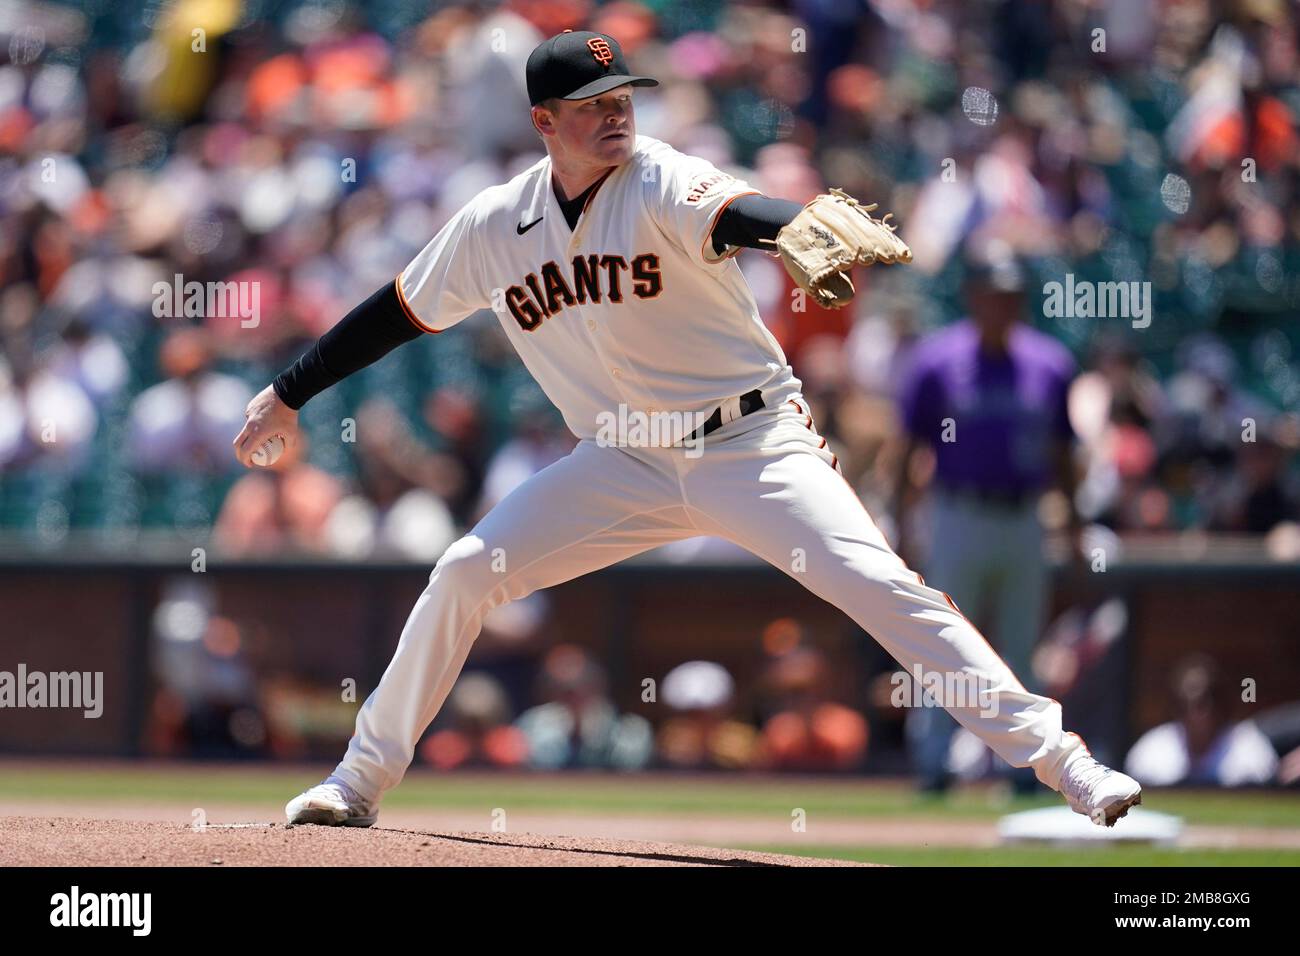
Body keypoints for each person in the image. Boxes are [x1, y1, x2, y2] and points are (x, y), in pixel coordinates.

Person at [233, 30, 1140, 829]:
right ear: (545, 122)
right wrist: (288, 391)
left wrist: (792, 229)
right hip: (620, 459)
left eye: (624, 98)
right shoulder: (494, 225)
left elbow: (739, 213)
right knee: (466, 570)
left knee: (880, 588)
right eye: (593, 106)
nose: (617, 116)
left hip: (751, 445)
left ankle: (1066, 764)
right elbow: (396, 312)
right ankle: (356, 783)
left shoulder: (660, 176)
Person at [892, 251, 1082, 795]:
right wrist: (903, 526)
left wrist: (1072, 527)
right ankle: (933, 765)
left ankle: (1028, 768)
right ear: (973, 297)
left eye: (1011, 295)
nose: (1002, 304)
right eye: (993, 293)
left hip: (1024, 515)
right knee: (943, 643)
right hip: (958, 512)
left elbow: (1064, 454)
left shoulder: (1048, 362)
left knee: (1022, 647)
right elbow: (908, 449)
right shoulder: (937, 359)